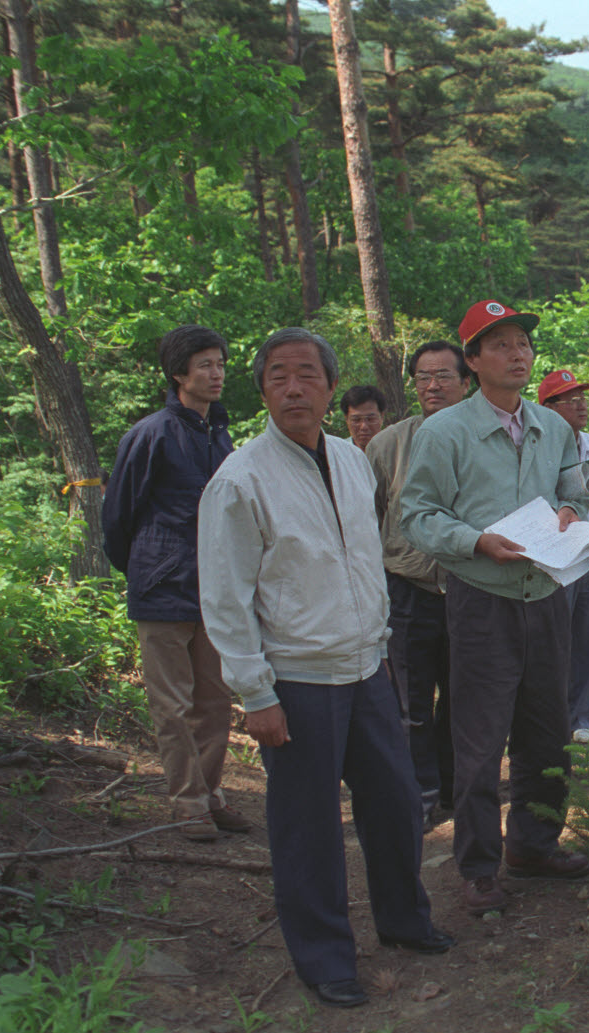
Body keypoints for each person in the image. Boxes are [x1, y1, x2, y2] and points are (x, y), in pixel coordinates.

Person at [199, 328, 451, 1009]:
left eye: (306, 374)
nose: (293, 387)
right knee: (309, 827)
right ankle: (324, 957)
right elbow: (225, 598)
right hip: (297, 679)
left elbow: (363, 558)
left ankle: (404, 920)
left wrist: (380, 648)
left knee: (397, 804)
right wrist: (255, 691)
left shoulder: (350, 459)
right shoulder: (240, 479)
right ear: (263, 391)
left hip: (367, 667)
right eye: (277, 375)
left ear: (330, 387)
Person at [400, 300, 589, 917]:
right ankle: (479, 867)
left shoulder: (552, 426)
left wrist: (572, 512)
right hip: (482, 599)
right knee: (480, 740)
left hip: (546, 593)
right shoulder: (443, 432)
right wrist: (475, 541)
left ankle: (534, 845)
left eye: (523, 344)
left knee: (547, 730)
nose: (517, 354)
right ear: (473, 361)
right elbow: (418, 514)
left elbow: (574, 481)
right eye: (501, 344)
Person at [102, 325, 248, 843]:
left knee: (213, 702)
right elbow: (118, 515)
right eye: (205, 364)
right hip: (162, 589)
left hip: (213, 590)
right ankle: (187, 803)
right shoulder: (152, 433)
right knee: (172, 705)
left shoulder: (221, 436)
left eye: (221, 364)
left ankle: (210, 796)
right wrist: (145, 567)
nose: (216, 373)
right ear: (178, 374)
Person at [365, 342, 471, 825]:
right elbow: (372, 517)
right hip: (407, 589)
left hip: (471, 585)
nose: (433, 385)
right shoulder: (387, 444)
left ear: (466, 382)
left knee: (462, 696)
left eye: (444, 376)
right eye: (424, 377)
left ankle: (456, 788)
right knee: (410, 700)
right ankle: (420, 792)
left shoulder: (483, 438)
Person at [537, 369, 589, 743]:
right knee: (554, 638)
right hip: (557, 559)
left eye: (582, 398)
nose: (581, 405)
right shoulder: (539, 447)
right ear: (548, 408)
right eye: (570, 400)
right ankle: (549, 716)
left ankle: (582, 719)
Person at [340, 385, 386, 451]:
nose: (364, 427)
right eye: (356, 420)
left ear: (382, 417)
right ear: (346, 419)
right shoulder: (337, 452)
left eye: (370, 419)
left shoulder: (395, 450)